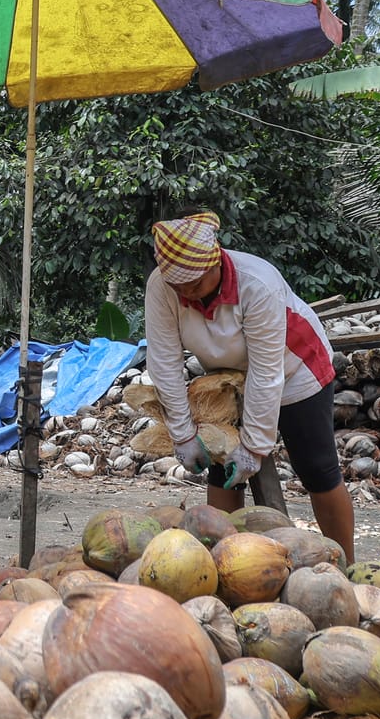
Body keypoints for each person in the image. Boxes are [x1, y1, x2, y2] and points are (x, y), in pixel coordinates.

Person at [144, 211, 355, 562]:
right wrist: (182, 434)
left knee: (317, 469)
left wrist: (255, 446)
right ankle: (226, 563)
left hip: (296, 366)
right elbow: (164, 362)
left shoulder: (256, 283)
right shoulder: (161, 286)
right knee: (223, 469)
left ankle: (345, 563)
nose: (187, 294)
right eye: (178, 287)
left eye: (194, 285)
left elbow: (266, 371)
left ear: (216, 262)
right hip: (226, 376)